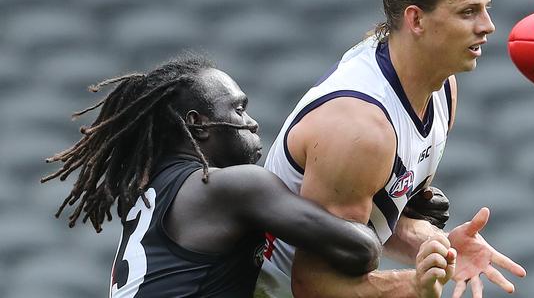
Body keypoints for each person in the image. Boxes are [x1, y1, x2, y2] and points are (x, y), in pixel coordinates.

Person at [255, 0, 527, 298]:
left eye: (486, 8)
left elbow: (374, 221)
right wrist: (414, 285)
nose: (487, 25)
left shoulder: (441, 88)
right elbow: (313, 285)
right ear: (415, 19)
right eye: (468, 12)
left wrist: (438, 245)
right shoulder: (361, 129)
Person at [41, 55, 433, 297]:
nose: (252, 122)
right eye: (239, 110)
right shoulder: (234, 187)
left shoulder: (156, 191)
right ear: (199, 125)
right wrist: (396, 196)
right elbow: (360, 251)